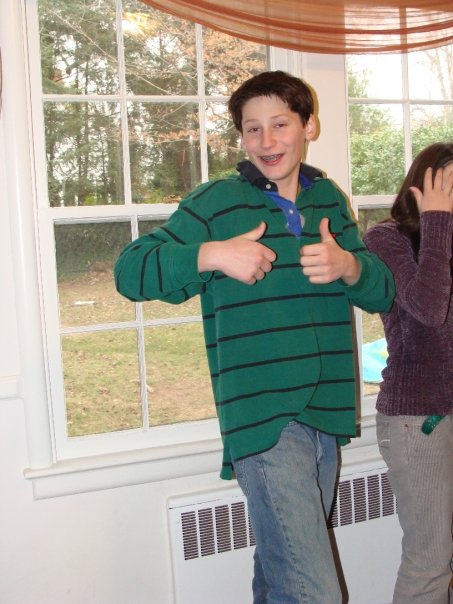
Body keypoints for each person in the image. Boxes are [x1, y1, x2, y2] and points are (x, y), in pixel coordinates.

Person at [114, 70, 395, 603]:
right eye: (252, 129)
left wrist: (349, 266)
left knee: (281, 576)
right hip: (264, 421)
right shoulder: (217, 202)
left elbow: (382, 293)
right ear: (241, 137)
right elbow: (130, 271)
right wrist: (211, 254)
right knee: (313, 591)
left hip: (327, 412)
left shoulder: (329, 199)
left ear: (308, 126)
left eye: (280, 124)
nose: (267, 141)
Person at [363, 142, 453, 604]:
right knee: (430, 562)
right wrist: (438, 223)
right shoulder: (386, 238)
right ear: (422, 186)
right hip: (420, 420)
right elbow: (428, 309)